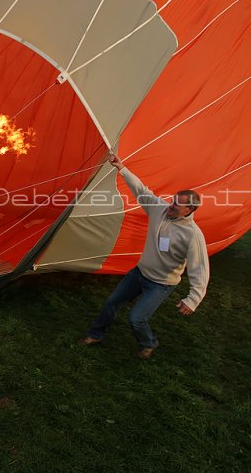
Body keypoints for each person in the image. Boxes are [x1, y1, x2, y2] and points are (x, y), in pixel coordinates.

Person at [80, 153, 209, 359]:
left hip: (161, 283)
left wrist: (193, 299)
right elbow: (141, 190)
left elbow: (200, 267)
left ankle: (149, 342)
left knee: (137, 318)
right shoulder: (159, 209)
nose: (171, 205)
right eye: (172, 200)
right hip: (139, 273)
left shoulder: (192, 235)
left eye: (177, 204)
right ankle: (96, 334)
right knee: (112, 302)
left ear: (189, 209)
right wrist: (121, 168)